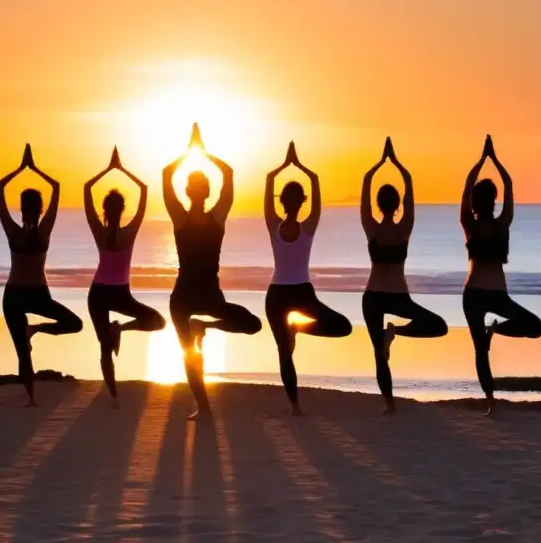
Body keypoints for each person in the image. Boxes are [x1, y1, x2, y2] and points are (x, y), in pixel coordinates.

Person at [164, 124, 262, 421]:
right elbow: (227, 173)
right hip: (190, 296)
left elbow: (167, 174)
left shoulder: (189, 218)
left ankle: (203, 329)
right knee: (190, 356)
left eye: (197, 187)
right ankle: (203, 407)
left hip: (201, 295)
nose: (196, 191)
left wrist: (192, 151)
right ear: (200, 192)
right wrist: (202, 153)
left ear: (201, 192)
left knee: (251, 324)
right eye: (195, 187)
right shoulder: (205, 218)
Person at [361, 137, 447, 414]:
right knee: (438, 325)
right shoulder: (403, 229)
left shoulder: (372, 228)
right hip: (397, 297)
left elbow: (364, 189)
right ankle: (396, 332)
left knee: (378, 354)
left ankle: (390, 405)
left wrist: (378, 165)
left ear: (379, 204)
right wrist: (396, 163)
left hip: (374, 296)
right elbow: (410, 189)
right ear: (396, 205)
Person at [264, 141, 352, 415]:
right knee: (343, 326)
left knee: (283, 352)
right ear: (301, 203)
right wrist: (301, 167)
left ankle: (295, 406)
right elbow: (315, 187)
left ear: (282, 202)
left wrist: (284, 165)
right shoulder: (308, 225)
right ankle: (298, 329)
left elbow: (268, 181)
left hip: (279, 294)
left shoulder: (272, 223)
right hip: (300, 292)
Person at [460, 135, 541, 414]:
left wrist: (483, 161)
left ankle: (494, 330)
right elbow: (506, 185)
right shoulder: (476, 224)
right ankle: (490, 401)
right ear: (484, 202)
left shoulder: (496, 224)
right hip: (476, 296)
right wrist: (492, 160)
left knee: (534, 326)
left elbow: (500, 187)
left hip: (493, 295)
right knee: (481, 349)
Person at [0, 144, 82, 407]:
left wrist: (23, 169)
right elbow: (55, 187)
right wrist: (32, 169)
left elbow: (0, 189)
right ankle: (31, 398)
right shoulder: (29, 230)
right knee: (22, 351)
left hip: (34, 295)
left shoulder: (29, 231)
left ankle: (34, 329)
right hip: (16, 297)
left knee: (74, 323)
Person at [84, 147, 165, 408]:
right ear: (122, 209)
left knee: (105, 347)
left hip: (98, 293)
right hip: (118, 293)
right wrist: (123, 170)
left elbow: (86, 190)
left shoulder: (98, 229)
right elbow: (144, 191)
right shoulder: (130, 231)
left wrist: (108, 170)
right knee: (157, 321)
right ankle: (120, 328)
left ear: (104, 210)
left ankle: (113, 395)